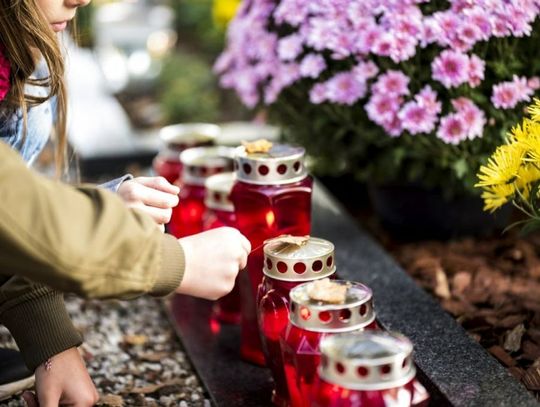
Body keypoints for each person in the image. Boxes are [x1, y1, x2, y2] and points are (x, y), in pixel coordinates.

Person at [0, 0, 250, 404]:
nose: (80, 0)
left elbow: (14, 212)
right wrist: (171, 262)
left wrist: (49, 342)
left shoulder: (20, 53)